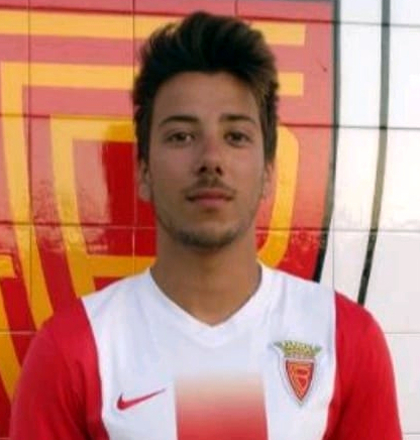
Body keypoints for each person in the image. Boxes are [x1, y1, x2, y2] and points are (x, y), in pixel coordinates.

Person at [10, 11, 402, 440]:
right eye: (181, 136)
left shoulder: (342, 337)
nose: (211, 159)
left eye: (235, 136)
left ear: (269, 171)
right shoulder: (74, 348)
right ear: (143, 171)